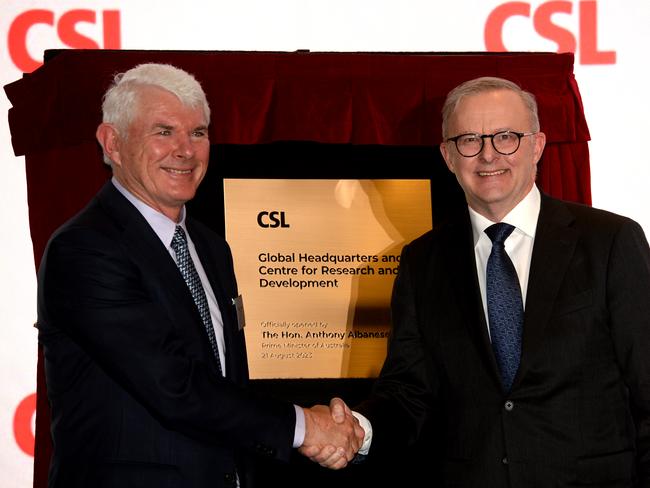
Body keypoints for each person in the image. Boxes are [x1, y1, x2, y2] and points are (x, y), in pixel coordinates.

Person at [307, 76, 650, 486]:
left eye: (507, 137)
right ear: (448, 155)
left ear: (537, 145)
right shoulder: (422, 261)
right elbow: (409, 392)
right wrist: (359, 430)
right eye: (469, 140)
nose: (488, 155)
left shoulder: (610, 242)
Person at [36, 62, 363, 488]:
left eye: (199, 133)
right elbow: (173, 385)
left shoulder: (210, 247)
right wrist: (305, 427)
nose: (186, 150)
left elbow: (226, 383)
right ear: (112, 143)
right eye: (164, 131)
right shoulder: (85, 248)